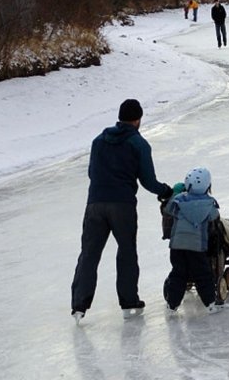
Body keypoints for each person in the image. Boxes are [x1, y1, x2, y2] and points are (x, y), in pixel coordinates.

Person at [70, 99, 173, 324]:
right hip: (122, 206)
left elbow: (91, 172)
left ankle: (79, 305)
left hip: (95, 204)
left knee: (89, 254)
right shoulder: (138, 144)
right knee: (126, 251)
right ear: (137, 119)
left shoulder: (98, 141)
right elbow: (148, 181)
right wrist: (166, 191)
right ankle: (128, 301)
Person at [163, 167, 228, 315]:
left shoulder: (178, 201)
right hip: (197, 247)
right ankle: (210, 304)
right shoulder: (209, 204)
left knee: (178, 274)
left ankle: (172, 306)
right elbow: (214, 217)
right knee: (202, 274)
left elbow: (168, 210)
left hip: (177, 246)